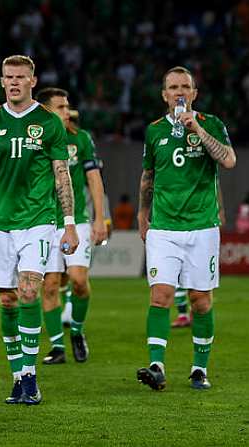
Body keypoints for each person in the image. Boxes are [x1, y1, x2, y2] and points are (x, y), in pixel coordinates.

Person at [0, 55, 78, 405]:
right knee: (7, 299)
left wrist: (70, 224)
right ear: (2, 82)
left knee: (29, 292)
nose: (14, 82)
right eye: (8, 77)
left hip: (38, 221)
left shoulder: (49, 123)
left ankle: (30, 376)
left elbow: (62, 175)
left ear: (32, 81)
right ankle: (17, 375)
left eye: (21, 77)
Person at [136, 66, 236, 391]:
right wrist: (142, 212)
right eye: (173, 87)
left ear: (194, 93)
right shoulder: (153, 131)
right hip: (164, 227)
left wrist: (198, 130)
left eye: (185, 87)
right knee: (160, 295)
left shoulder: (212, 124)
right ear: (164, 95)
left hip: (202, 226)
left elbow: (229, 160)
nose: (179, 92)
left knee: (200, 301)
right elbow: (149, 174)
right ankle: (156, 365)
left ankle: (199, 369)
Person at [35, 88, 107, 365]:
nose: (68, 112)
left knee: (78, 281)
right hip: (43, 221)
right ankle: (57, 347)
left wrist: (100, 218)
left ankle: (76, 330)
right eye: (61, 107)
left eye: (67, 106)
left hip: (75, 220)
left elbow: (94, 179)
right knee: (50, 285)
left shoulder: (81, 139)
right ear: (46, 111)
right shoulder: (35, 140)